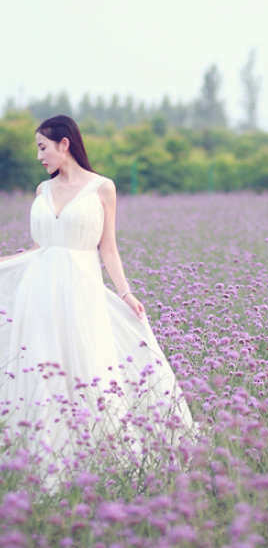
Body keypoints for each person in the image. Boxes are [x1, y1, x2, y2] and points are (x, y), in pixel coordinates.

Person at [0, 115, 194, 457]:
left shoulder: (102, 188)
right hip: (38, 291)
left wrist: (126, 293)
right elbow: (40, 245)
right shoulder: (42, 190)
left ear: (64, 144)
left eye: (43, 148)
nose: (38, 156)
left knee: (87, 364)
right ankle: (41, 449)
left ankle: (95, 447)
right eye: (36, 149)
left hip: (81, 291)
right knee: (40, 365)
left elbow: (109, 249)